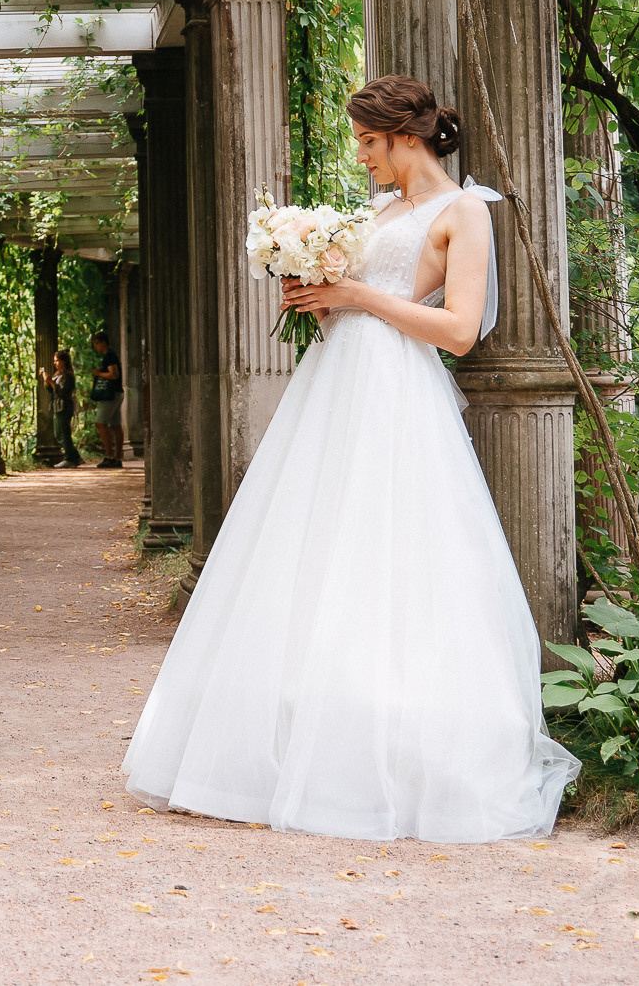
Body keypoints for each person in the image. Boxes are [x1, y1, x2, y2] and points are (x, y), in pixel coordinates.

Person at [122, 74, 579, 842]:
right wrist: (321, 298)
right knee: (312, 549)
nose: (362, 155)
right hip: (335, 387)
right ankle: (298, 745)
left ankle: (400, 753)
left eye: (368, 141)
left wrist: (359, 297)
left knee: (397, 554)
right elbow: (356, 311)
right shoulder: (377, 212)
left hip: (401, 394)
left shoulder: (464, 210)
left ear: (405, 135)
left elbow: (461, 330)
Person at [39, 346, 84, 468]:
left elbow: (62, 392)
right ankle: (76, 457)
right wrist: (46, 380)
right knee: (59, 433)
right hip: (56, 406)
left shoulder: (67, 375)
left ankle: (69, 458)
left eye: (57, 361)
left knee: (64, 433)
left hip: (64, 406)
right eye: (54, 361)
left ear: (63, 361)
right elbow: (51, 390)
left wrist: (52, 382)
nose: (55, 363)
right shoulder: (57, 373)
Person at [87, 331, 124, 468]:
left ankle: (109, 455)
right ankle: (117, 457)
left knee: (100, 423)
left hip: (111, 394)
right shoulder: (111, 354)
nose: (95, 346)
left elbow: (113, 375)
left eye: (96, 343)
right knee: (115, 425)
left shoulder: (109, 355)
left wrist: (98, 373)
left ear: (103, 342)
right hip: (117, 393)